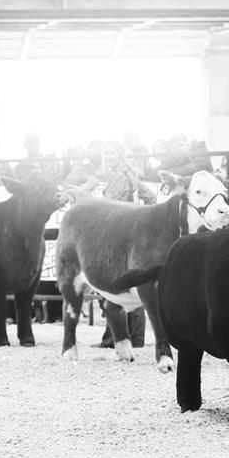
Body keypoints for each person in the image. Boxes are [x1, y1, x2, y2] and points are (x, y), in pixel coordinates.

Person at [95, 140, 155, 349]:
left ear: (119, 155)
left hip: (117, 234)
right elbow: (150, 196)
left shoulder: (118, 176)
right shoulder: (131, 174)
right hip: (131, 232)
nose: (107, 156)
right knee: (132, 283)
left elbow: (108, 205)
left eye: (111, 152)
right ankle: (134, 337)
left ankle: (115, 337)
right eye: (105, 152)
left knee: (116, 283)